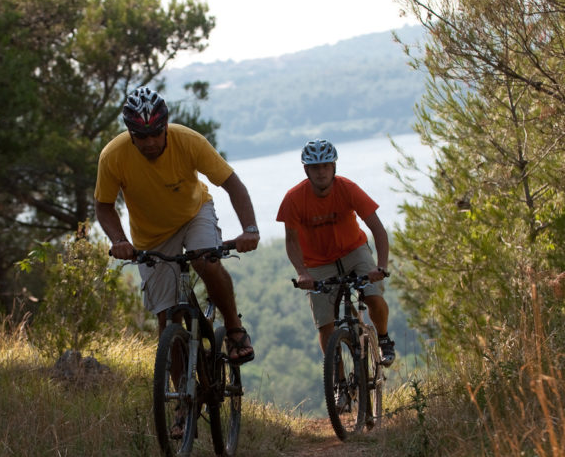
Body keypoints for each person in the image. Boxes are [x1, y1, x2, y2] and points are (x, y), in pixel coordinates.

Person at [94, 86, 260, 366]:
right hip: (151, 234)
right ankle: (180, 398)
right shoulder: (113, 156)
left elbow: (232, 184)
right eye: (140, 136)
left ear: (166, 127)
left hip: (195, 214)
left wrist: (250, 229)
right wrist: (119, 240)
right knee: (167, 317)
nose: (149, 142)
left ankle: (233, 328)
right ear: (130, 133)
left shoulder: (189, 141)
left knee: (206, 261)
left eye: (156, 133)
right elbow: (104, 205)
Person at [276, 139, 396, 367]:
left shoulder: (348, 189)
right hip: (317, 263)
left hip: (353, 251)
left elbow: (378, 230)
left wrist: (381, 266)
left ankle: (384, 339)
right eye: (315, 167)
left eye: (326, 166)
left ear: (334, 167)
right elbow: (291, 241)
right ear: (306, 170)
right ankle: (339, 384)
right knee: (326, 325)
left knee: (373, 297)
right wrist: (302, 273)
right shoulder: (294, 198)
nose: (321, 172)